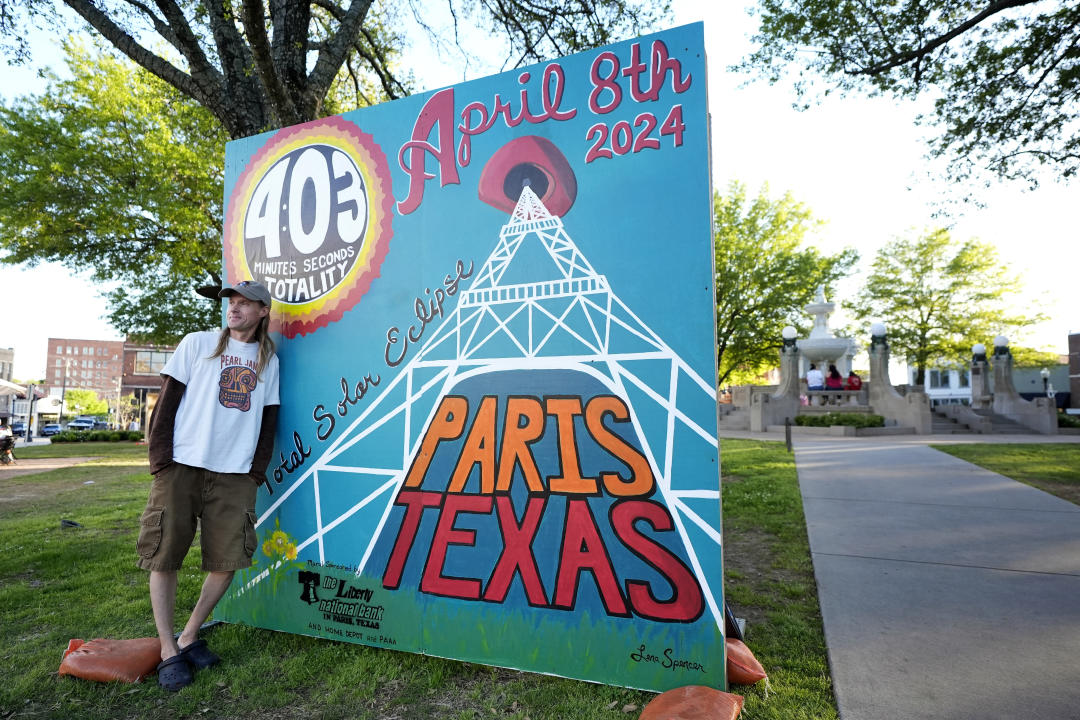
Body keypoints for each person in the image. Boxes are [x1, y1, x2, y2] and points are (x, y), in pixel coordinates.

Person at [137, 280, 279, 691]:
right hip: (181, 465)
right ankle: (168, 649)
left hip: (235, 475)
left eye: (244, 304)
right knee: (164, 556)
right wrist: (161, 461)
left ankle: (189, 635)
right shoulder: (197, 343)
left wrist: (255, 471)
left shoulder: (269, 361)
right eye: (231, 303)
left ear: (262, 312)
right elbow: (167, 403)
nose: (233, 309)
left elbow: (269, 419)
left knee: (228, 560)